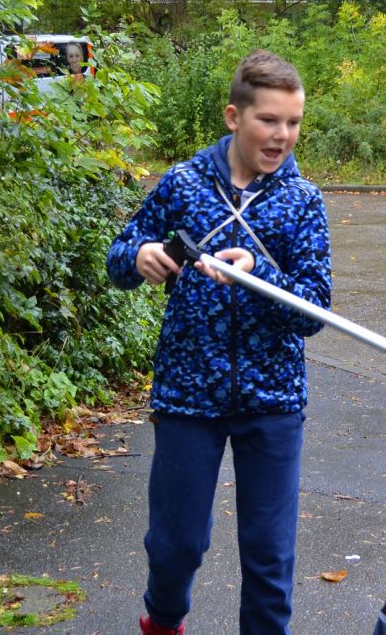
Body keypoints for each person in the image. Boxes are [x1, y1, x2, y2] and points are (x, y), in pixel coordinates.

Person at [106, 49, 332, 635]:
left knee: (269, 555)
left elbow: (313, 312)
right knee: (177, 542)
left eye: (294, 122)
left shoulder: (303, 202)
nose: (283, 136)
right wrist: (140, 255)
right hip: (188, 394)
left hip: (273, 400)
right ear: (234, 116)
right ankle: (162, 621)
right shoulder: (182, 183)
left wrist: (260, 276)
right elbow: (117, 258)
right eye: (269, 120)